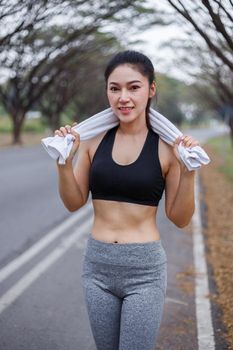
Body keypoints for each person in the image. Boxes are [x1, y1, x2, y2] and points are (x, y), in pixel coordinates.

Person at [54, 50, 199, 350]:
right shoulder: (93, 141)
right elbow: (73, 202)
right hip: (97, 267)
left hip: (144, 271)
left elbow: (180, 218)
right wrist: (64, 164)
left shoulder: (168, 149)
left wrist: (189, 173)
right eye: (114, 88)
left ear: (151, 89)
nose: (124, 97)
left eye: (134, 87)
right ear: (107, 90)